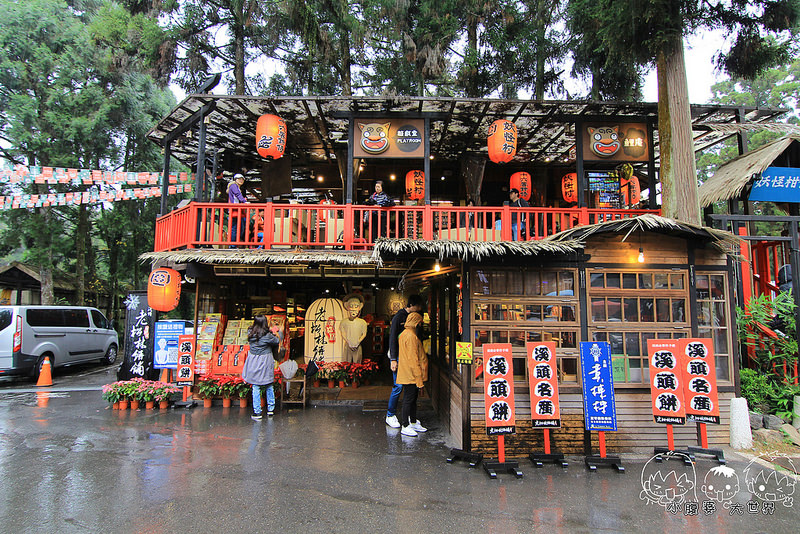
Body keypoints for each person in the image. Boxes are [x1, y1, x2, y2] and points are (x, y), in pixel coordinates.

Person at [385, 294, 423, 428]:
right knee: (398, 386)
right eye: (418, 306)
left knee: (408, 387)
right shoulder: (399, 317)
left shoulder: (413, 318)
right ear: (412, 306)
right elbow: (392, 339)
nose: (419, 309)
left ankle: (409, 419)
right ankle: (390, 415)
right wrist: (393, 359)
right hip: (399, 357)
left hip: (407, 357)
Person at [242, 315, 282, 420]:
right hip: (265, 360)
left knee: (256, 386)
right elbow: (277, 341)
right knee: (268, 384)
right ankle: (270, 409)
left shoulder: (250, 332)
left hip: (253, 359)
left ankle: (257, 412)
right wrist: (279, 331)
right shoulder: (267, 335)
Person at [396, 312, 428, 436]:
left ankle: (413, 422)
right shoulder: (411, 336)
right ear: (416, 322)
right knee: (409, 400)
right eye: (420, 323)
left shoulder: (405, 334)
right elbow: (413, 359)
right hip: (411, 375)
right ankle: (405, 425)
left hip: (408, 372)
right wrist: (419, 379)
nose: (421, 325)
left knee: (412, 399)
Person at [340, 293, 367, 363]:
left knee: (357, 363)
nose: (353, 309)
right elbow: (343, 333)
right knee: (346, 363)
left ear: (359, 307)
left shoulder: (362, 322)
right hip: (348, 345)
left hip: (358, 345)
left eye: (356, 306)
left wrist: (357, 342)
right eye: (351, 306)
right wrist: (349, 342)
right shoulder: (344, 322)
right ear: (347, 307)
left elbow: (364, 334)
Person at [227, 173, 247, 244]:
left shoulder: (236, 187)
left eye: (242, 179)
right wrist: (244, 201)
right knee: (235, 229)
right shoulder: (233, 186)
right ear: (235, 180)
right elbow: (237, 194)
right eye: (239, 179)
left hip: (237, 211)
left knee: (239, 228)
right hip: (234, 210)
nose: (241, 180)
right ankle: (233, 245)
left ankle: (234, 244)